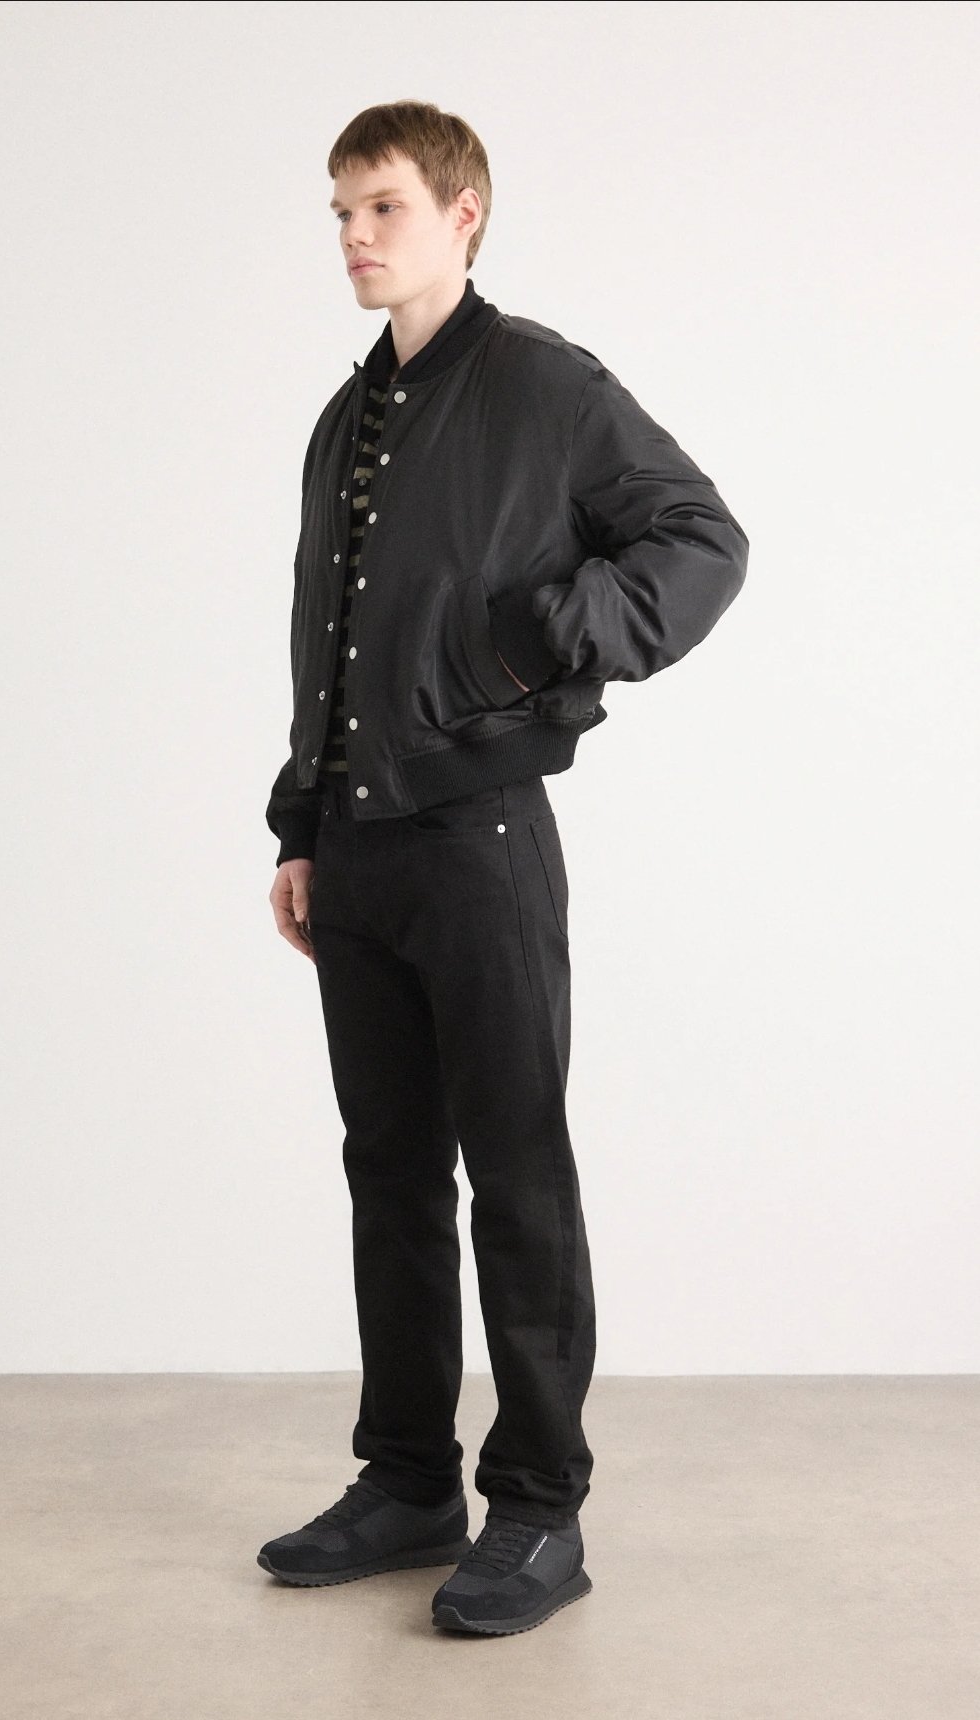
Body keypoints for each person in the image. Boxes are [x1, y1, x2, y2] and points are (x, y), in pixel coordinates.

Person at [257, 100, 749, 1637]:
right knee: (388, 1175)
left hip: (478, 839)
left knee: (514, 1177)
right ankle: (408, 1481)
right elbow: (332, 638)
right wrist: (300, 823)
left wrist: (559, 634)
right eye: (340, 211)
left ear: (462, 213)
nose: (354, 235)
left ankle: (538, 1509)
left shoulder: (542, 385)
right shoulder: (348, 417)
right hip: (357, 849)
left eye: (382, 207)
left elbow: (699, 538)